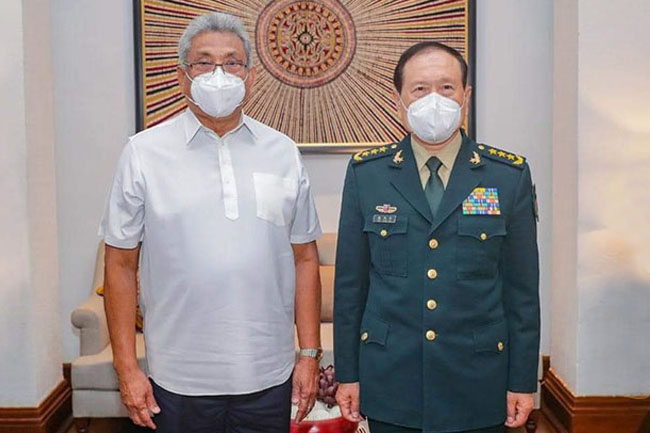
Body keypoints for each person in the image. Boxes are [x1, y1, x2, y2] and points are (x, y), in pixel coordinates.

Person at [100, 12, 323, 433]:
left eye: (232, 62)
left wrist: (309, 354)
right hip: (177, 378)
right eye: (204, 63)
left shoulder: (282, 152)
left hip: (268, 374)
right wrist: (127, 368)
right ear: (183, 76)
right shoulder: (143, 153)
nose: (219, 73)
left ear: (250, 78)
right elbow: (120, 265)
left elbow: (305, 259)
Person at [333, 41, 540, 433]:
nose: (434, 100)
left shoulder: (506, 176)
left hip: (478, 382)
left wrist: (522, 381)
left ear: (466, 96)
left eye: (446, 88)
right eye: (420, 89)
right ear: (399, 102)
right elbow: (350, 287)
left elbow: (522, 292)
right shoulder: (367, 175)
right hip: (391, 380)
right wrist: (348, 373)